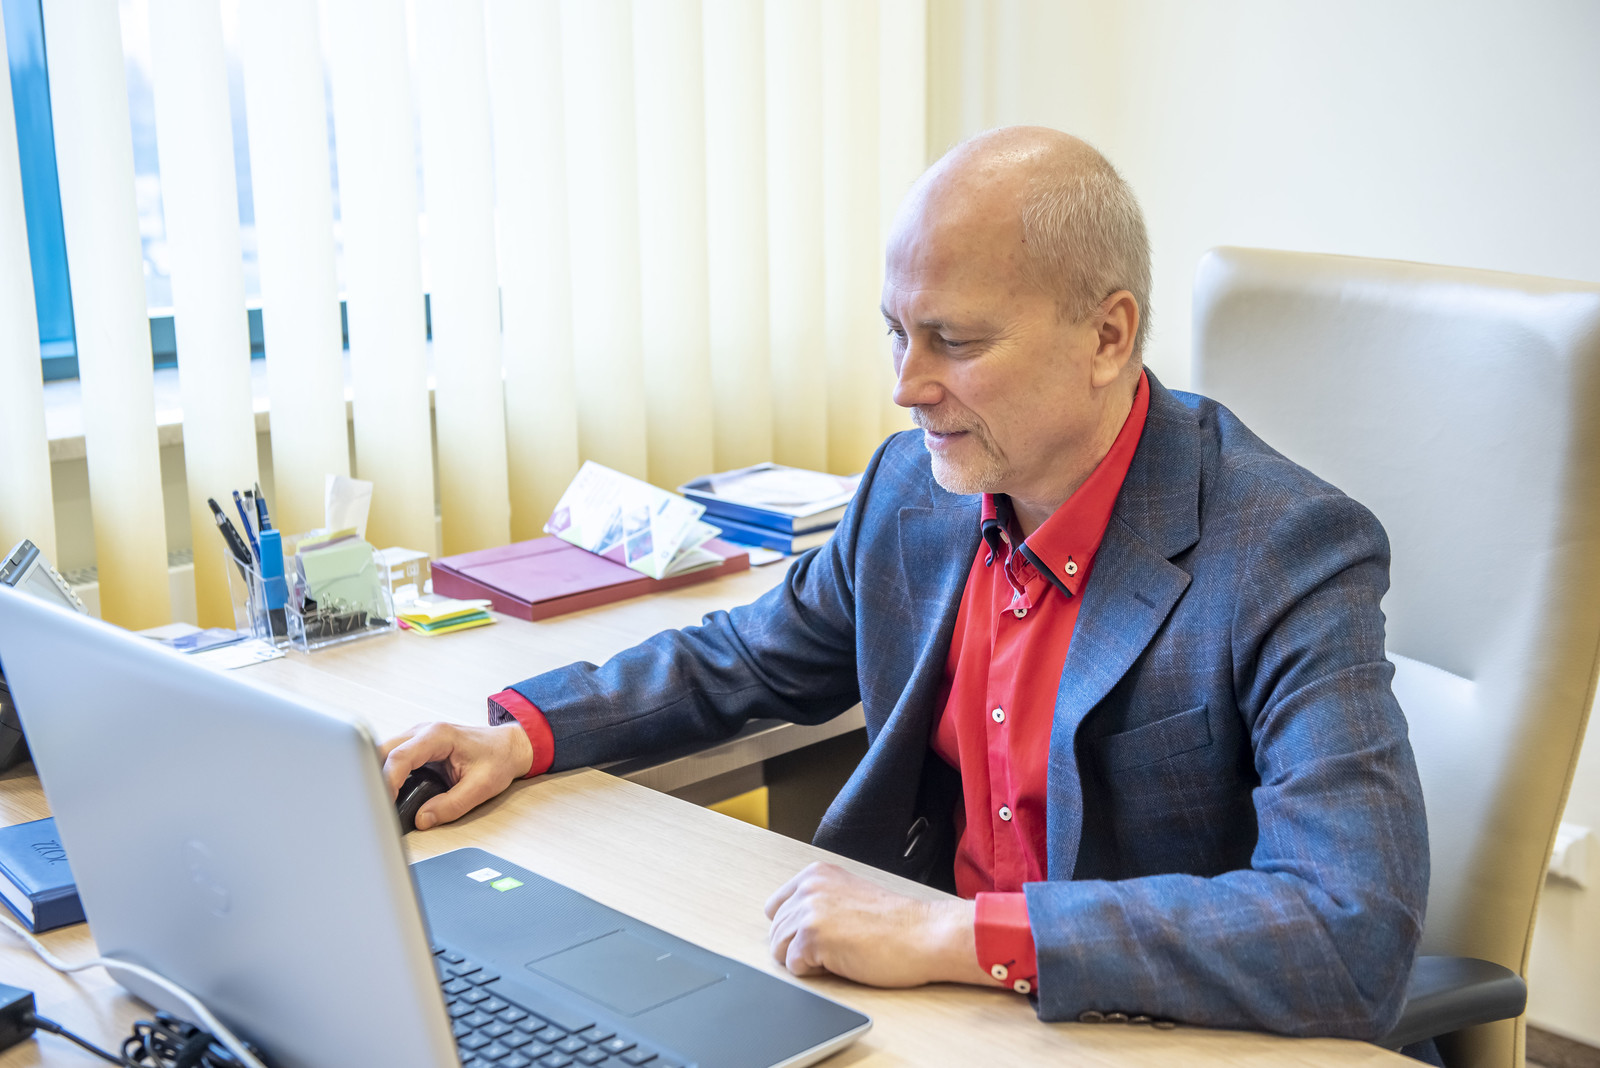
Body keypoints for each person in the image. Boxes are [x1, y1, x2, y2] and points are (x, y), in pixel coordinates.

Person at [381, 126, 1429, 1044]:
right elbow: (751, 657)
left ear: (1107, 337)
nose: (904, 385)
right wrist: (522, 736)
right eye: (896, 330)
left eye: (954, 342)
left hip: (1137, 1031)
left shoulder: (1285, 549)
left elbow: (1351, 932)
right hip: (942, 1016)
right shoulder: (913, 490)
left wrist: (954, 935)